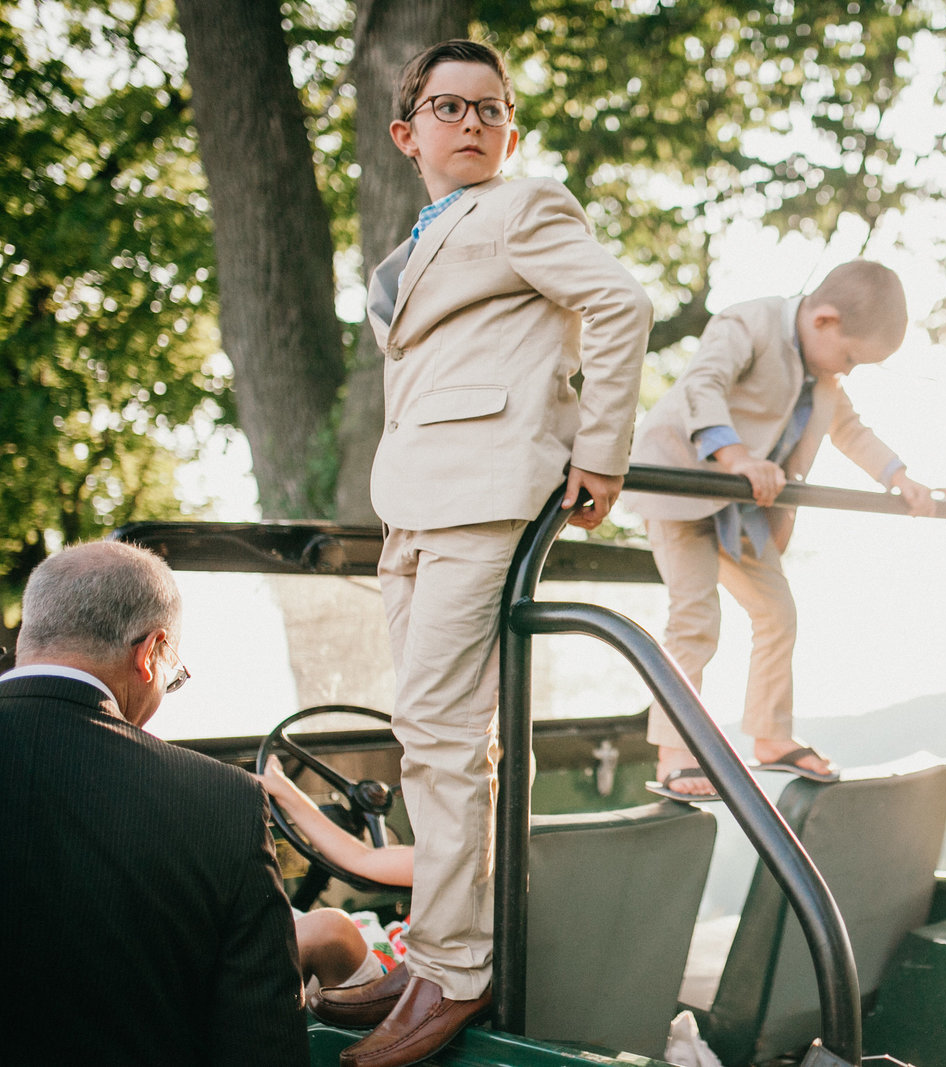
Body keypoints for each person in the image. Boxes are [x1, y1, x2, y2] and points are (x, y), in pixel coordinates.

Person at [334, 37, 652, 1067]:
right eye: (448, 107)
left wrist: (597, 452)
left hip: (485, 497)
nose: (470, 123)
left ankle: (453, 970)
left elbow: (618, 303)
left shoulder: (523, 207)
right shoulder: (410, 248)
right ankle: (426, 947)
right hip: (411, 507)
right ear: (407, 130)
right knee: (425, 732)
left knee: (439, 726)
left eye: (490, 109)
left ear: (509, 130)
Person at [626, 259, 935, 799]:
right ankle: (674, 752)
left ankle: (770, 733)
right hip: (679, 485)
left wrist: (900, 477)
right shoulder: (750, 324)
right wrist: (738, 456)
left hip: (739, 504)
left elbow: (851, 431)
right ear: (824, 321)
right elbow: (704, 385)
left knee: (777, 612)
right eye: (851, 357)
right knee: (695, 619)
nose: (848, 371)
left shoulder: (825, 376)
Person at [0, 541, 309, 1066]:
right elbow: (263, 1047)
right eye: (175, 675)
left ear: (32, 629)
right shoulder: (222, 802)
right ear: (150, 653)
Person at [252, 756, 416, 1005]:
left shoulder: (485, 869)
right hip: (388, 949)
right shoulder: (457, 855)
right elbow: (361, 858)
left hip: (404, 987)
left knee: (328, 929)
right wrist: (284, 791)